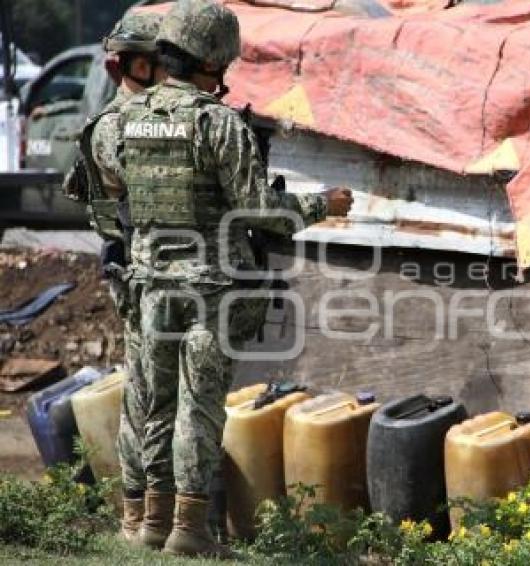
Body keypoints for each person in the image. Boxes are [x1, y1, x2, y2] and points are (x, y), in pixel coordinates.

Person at [117, 0, 353, 557]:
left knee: (157, 402)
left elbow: (100, 187)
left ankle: (152, 522)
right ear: (213, 60)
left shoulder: (127, 117)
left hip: (152, 285)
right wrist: (326, 204)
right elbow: (260, 210)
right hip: (211, 291)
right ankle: (190, 530)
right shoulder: (217, 122)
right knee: (198, 406)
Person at [62, 10, 165, 543]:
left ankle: (143, 515)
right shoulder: (128, 124)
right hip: (143, 266)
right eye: (157, 62)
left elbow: (77, 190)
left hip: (132, 264)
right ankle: (139, 516)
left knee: (146, 395)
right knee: (148, 398)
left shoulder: (109, 121)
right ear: (138, 65)